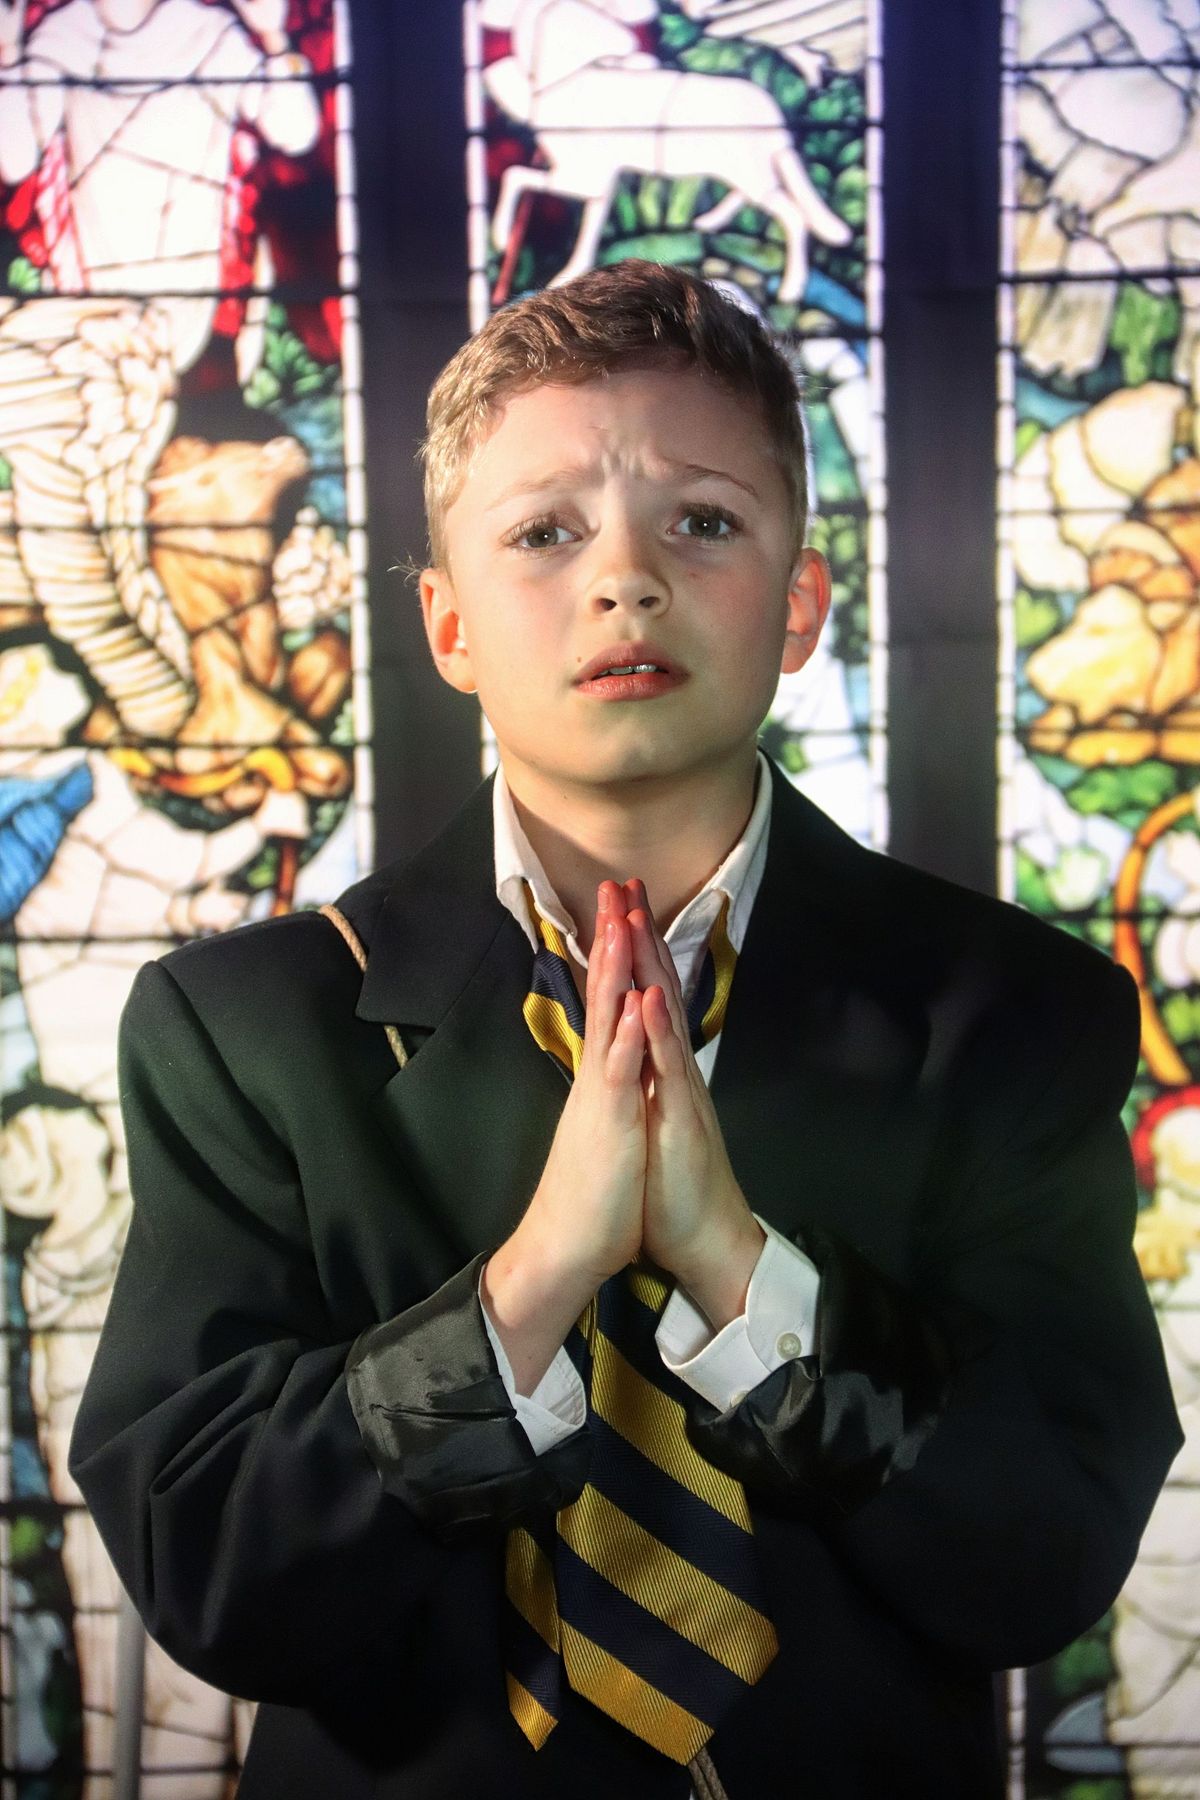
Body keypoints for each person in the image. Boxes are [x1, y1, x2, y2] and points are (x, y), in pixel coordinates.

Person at [68, 260, 1182, 1799]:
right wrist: (531, 1285)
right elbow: (218, 1576)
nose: (626, 579)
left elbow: (1043, 1553)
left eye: (704, 522)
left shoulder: (1016, 1016)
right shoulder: (247, 1028)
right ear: (449, 626)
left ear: (802, 606)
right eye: (545, 532)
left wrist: (740, 1271)